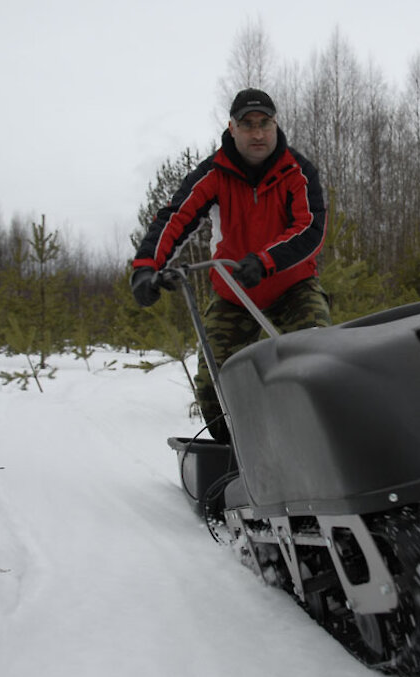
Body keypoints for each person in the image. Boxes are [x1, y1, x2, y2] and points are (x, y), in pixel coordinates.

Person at [130, 88, 331, 444]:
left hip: (293, 288)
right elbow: (176, 218)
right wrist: (147, 266)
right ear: (232, 128)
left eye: (264, 123)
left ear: (275, 125)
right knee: (212, 384)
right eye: (248, 124)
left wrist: (265, 260)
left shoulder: (297, 172)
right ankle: (234, 456)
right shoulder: (214, 173)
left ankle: (321, 444)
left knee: (319, 361)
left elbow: (310, 229)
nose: (257, 133)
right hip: (234, 293)